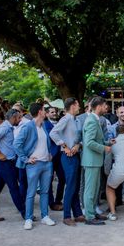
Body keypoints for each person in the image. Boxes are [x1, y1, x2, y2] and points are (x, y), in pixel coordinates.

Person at [14, 102, 55, 230]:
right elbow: (17, 144)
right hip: (34, 164)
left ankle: (45, 216)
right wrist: (25, 159)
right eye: (44, 110)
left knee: (45, 191)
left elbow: (46, 143)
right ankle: (28, 218)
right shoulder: (28, 127)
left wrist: (49, 154)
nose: (46, 112)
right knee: (31, 193)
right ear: (39, 112)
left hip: (46, 164)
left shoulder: (43, 126)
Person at [0, 108, 25, 222]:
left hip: (6, 163)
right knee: (14, 188)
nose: (20, 119)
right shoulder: (5, 127)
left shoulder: (9, 127)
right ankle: (25, 213)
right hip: (4, 163)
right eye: (18, 117)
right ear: (13, 117)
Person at [49, 97, 84, 226]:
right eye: (78, 104)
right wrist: (63, 145)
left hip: (76, 154)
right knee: (70, 185)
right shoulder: (66, 119)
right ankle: (67, 216)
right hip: (67, 156)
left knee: (75, 185)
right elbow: (53, 133)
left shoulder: (77, 120)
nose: (80, 106)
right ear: (73, 105)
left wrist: (78, 145)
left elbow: (80, 137)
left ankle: (78, 213)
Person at [82, 96, 112, 226]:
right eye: (104, 105)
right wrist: (104, 148)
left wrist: (107, 142)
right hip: (91, 160)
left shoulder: (95, 119)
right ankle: (89, 216)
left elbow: (96, 140)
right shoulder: (92, 121)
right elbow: (89, 143)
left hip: (95, 160)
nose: (105, 108)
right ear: (98, 106)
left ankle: (93, 212)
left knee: (95, 189)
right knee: (90, 190)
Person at [43, 105, 64, 212]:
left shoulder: (61, 122)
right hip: (51, 155)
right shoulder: (45, 124)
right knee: (49, 180)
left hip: (61, 155)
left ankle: (58, 200)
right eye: (51, 112)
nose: (54, 113)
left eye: (55, 112)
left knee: (62, 178)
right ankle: (51, 203)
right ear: (46, 114)